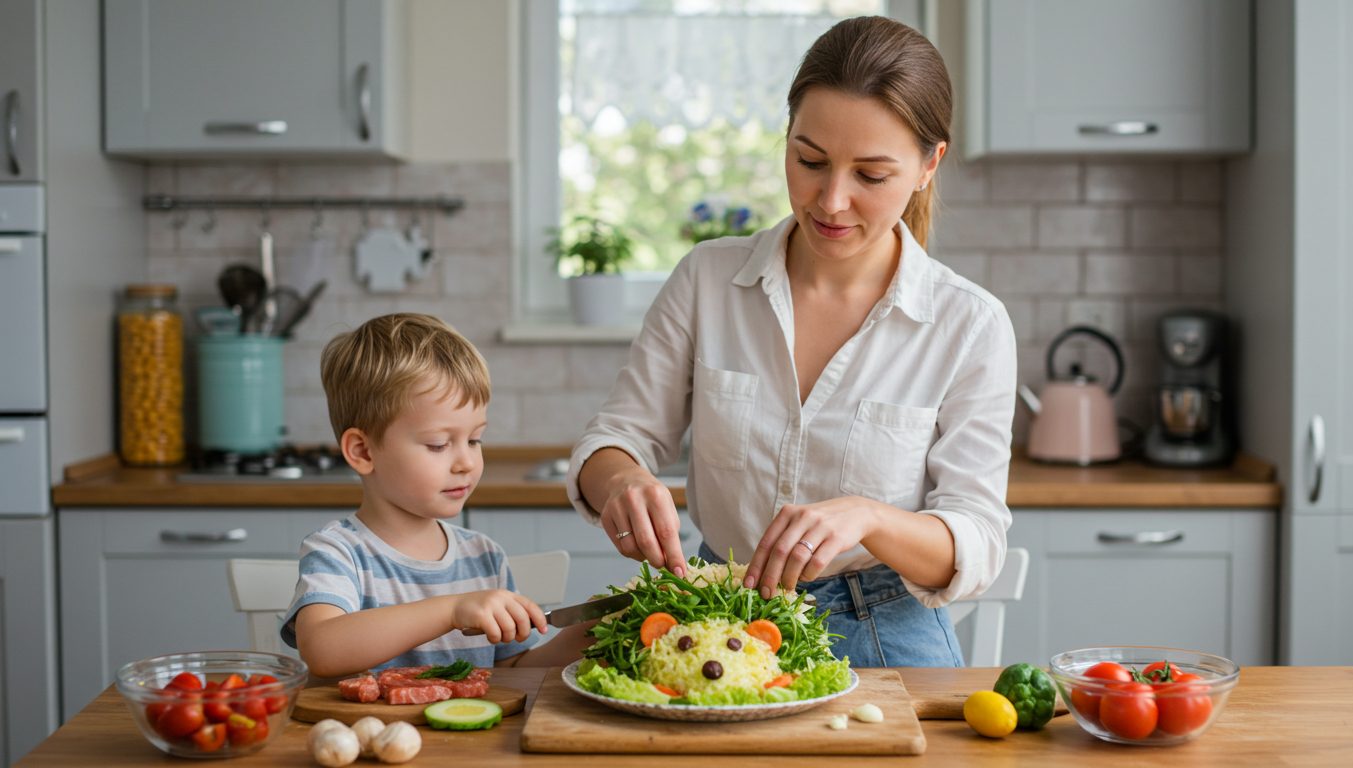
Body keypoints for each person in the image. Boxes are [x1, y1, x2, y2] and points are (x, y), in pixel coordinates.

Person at [566, 17, 1016, 667]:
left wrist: (869, 518)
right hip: (716, 617)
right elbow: (612, 442)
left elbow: (975, 539)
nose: (832, 200)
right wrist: (623, 482)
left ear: (927, 165)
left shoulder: (968, 324)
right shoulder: (708, 280)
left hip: (883, 630)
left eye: (871, 174)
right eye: (809, 161)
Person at [283, 313, 594, 678]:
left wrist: (581, 637)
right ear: (364, 452)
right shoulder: (338, 554)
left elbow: (512, 673)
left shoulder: (484, 558)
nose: (466, 462)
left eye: (475, 439)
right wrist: (451, 611)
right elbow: (323, 649)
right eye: (438, 444)